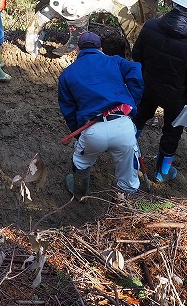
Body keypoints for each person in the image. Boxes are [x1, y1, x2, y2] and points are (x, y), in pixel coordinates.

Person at [131, 0, 187, 184]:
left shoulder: (150, 26)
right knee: (173, 130)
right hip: (176, 96)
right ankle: (162, 172)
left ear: (172, 4)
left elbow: (136, 56)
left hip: (148, 87)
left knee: (138, 119)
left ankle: (129, 158)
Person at [58, 31, 143, 201]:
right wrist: (132, 100)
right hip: (123, 126)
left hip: (92, 130)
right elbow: (136, 69)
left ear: (78, 50)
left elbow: (68, 109)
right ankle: (127, 208)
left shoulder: (67, 74)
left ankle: (79, 192)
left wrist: (78, 132)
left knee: (81, 162)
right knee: (128, 178)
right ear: (100, 48)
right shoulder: (114, 61)